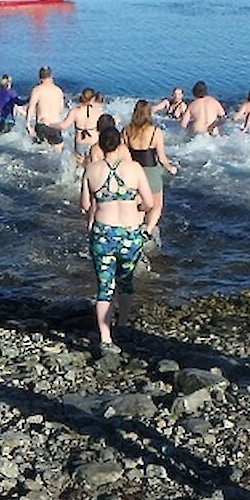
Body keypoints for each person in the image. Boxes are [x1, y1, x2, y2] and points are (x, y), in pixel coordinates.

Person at [80, 122, 157, 353]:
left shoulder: (91, 170)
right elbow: (150, 202)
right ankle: (122, 323)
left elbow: (85, 205)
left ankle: (105, 336)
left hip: (103, 233)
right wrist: (138, 207)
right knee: (126, 281)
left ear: (100, 146)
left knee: (104, 285)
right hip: (130, 233)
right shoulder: (134, 168)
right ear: (121, 144)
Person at [125, 101, 180, 231]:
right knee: (156, 204)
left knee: (139, 202)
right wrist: (170, 168)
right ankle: (148, 230)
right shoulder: (156, 132)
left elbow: (124, 154)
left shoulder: (127, 130)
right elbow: (161, 158)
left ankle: (135, 228)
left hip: (133, 171)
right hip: (151, 172)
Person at [55, 88, 106, 160]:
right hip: (93, 141)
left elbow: (63, 125)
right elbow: (105, 125)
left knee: (79, 162)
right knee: (92, 163)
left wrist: (49, 124)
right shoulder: (98, 112)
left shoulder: (74, 111)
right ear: (93, 99)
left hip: (80, 141)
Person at [26, 67, 69, 149]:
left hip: (42, 125)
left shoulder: (37, 90)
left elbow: (31, 107)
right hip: (55, 125)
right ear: (51, 76)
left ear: (39, 77)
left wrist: (28, 124)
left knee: (40, 151)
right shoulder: (58, 90)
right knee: (57, 152)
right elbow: (61, 108)